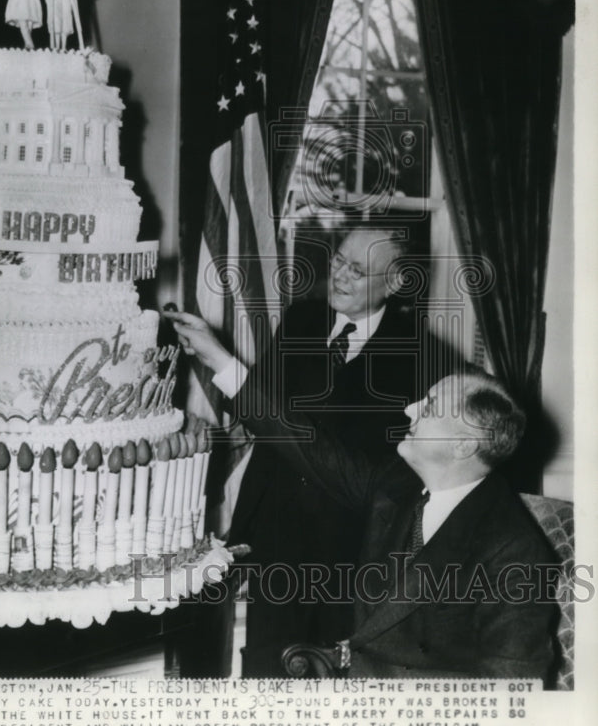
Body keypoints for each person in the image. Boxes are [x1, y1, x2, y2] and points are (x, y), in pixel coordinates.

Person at [168, 225, 455, 675]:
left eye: (357, 270)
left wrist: (222, 361)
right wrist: (214, 362)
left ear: (396, 283)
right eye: (338, 260)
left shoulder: (425, 360)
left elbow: (362, 475)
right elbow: (255, 407)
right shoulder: (302, 319)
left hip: (349, 558)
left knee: (331, 687)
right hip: (276, 538)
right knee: (265, 671)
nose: (338, 276)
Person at [231, 367, 558, 680]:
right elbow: (308, 446)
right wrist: (220, 362)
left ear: (463, 445)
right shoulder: (395, 483)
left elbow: (513, 687)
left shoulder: (516, 552)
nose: (409, 409)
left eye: (428, 407)